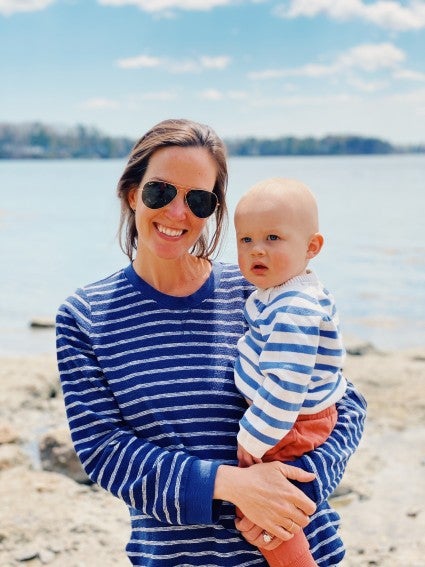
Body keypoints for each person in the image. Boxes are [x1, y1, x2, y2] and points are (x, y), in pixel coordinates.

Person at [56, 118, 367, 567]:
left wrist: (293, 490)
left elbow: (346, 403)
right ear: (131, 193)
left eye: (198, 199)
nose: (178, 213)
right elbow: (105, 451)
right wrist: (231, 486)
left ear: (213, 210)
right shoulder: (84, 317)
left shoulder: (260, 292)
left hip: (306, 551)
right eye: (160, 191)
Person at [233, 178, 348, 567]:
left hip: (289, 420)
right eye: (245, 240)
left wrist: (253, 438)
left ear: (311, 247)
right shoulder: (281, 291)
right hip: (291, 415)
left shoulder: (295, 307)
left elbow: (286, 384)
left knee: (266, 506)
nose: (256, 249)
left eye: (272, 237)